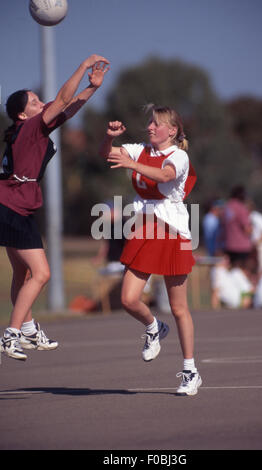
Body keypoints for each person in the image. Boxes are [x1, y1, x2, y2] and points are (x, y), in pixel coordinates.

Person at [0, 54, 110, 361]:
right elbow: (63, 99)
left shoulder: (35, 127)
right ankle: (10, 335)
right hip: (10, 207)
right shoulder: (32, 127)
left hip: (15, 206)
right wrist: (84, 65)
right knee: (42, 274)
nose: (40, 103)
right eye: (34, 101)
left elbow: (69, 107)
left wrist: (92, 88)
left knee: (22, 273)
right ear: (23, 115)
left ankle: (28, 328)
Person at [98, 105, 202, 396]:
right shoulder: (139, 148)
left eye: (156, 124)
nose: (150, 127)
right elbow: (106, 154)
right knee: (128, 299)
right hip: (145, 227)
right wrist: (108, 139)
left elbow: (165, 176)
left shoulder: (179, 156)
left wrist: (132, 165)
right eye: (150, 123)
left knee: (179, 307)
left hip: (173, 230)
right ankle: (154, 326)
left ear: (172, 131)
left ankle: (190, 371)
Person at [221, 185, 252, 270]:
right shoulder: (241, 208)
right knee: (241, 273)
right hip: (242, 247)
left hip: (228, 245)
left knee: (231, 271)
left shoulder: (226, 207)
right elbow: (247, 229)